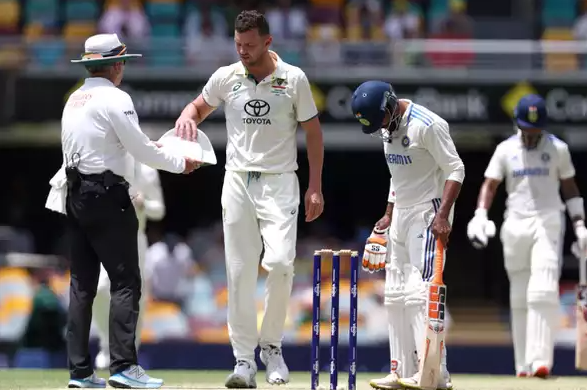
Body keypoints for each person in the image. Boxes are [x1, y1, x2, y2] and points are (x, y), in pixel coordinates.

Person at [174, 10, 325, 388]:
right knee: (239, 273)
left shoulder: (293, 79)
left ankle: (271, 347)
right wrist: (187, 120)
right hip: (238, 181)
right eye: (239, 45)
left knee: (280, 263)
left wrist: (315, 186)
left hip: (280, 182)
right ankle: (243, 361)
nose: (243, 51)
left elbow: (314, 133)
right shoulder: (226, 77)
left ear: (268, 42)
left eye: (250, 46)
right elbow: (197, 107)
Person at [45, 33, 199, 389]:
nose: (123, 69)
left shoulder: (74, 99)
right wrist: (181, 163)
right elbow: (141, 150)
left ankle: (80, 373)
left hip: (76, 195)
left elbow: (119, 146)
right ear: (115, 65)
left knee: (81, 286)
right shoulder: (117, 97)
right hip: (108, 196)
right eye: (122, 63)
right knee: (126, 281)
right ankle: (124, 367)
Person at [352, 81, 464, 390]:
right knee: (395, 294)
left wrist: (442, 216)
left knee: (421, 293)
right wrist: (388, 213)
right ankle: (399, 370)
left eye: (381, 120)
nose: (381, 129)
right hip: (400, 213)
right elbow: (396, 174)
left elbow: (456, 169)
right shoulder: (386, 127)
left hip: (429, 212)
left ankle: (433, 373)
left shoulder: (428, 125)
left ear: (389, 105)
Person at [466, 94, 587, 378]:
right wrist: (480, 214)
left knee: (542, 289)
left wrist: (580, 224)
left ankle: (540, 361)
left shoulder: (558, 149)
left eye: (536, 130)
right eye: (527, 130)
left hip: (548, 221)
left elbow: (570, 188)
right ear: (517, 125)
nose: (531, 136)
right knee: (520, 294)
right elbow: (490, 185)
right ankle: (522, 364)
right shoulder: (505, 150)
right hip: (515, 225)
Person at [93, 163, 166, 371]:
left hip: (136, 239)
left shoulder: (148, 170)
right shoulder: (105, 164)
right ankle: (106, 346)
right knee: (99, 290)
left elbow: (159, 210)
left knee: (136, 297)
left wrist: (142, 203)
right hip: (108, 237)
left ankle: (129, 352)